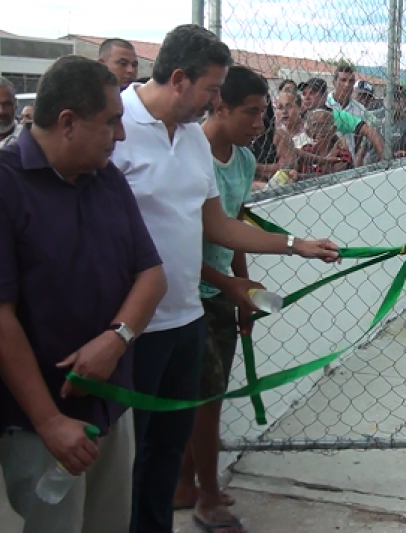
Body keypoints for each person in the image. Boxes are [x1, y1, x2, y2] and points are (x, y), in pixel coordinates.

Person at [109, 24, 340, 533]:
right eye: (213, 90)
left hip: (186, 321)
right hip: (132, 329)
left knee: (165, 456)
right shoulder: (115, 126)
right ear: (178, 79)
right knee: (124, 464)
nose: (217, 102)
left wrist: (294, 245)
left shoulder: (191, 138)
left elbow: (217, 224)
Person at [0, 55, 167, 533]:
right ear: (68, 122)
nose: (121, 135)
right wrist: (48, 421)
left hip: (110, 405)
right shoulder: (7, 185)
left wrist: (116, 339)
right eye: (111, 122)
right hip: (40, 425)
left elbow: (152, 274)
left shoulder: (106, 178)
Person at [172, 65, 273, 532]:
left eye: (263, 113)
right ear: (220, 106)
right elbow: (178, 243)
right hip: (186, 294)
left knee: (206, 395)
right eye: (250, 113)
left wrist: (242, 288)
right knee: (206, 401)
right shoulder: (191, 156)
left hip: (220, 293)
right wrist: (228, 286)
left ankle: (184, 484)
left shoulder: (244, 161)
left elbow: (233, 229)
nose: (259, 124)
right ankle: (208, 497)